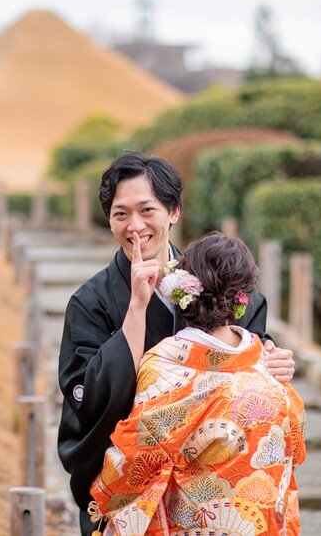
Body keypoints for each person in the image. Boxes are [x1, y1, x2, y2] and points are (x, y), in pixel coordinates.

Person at [57, 152, 296, 535]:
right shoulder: (90, 302)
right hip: (131, 484)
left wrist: (271, 357)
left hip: (211, 486)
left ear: (174, 211)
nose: (135, 226)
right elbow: (92, 399)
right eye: (121, 214)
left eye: (146, 209)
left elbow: (249, 350)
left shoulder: (216, 284)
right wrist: (137, 307)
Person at [88, 232, 306, 535]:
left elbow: (134, 458)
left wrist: (104, 491)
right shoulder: (268, 363)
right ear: (243, 297)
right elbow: (295, 447)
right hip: (258, 523)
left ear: (180, 290)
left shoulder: (166, 365)